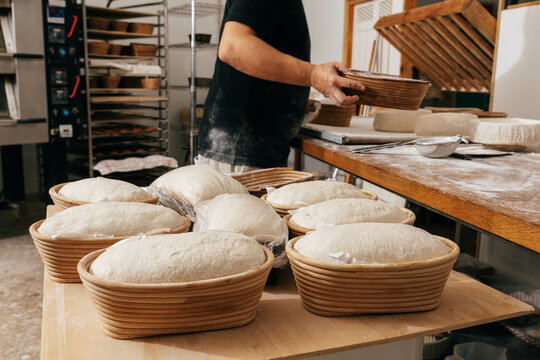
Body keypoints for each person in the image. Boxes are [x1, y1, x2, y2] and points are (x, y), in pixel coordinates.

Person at [196, 0, 365, 174]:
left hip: (245, 147)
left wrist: (290, 99)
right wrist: (314, 75)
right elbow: (234, 47)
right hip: (238, 149)